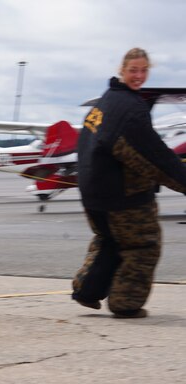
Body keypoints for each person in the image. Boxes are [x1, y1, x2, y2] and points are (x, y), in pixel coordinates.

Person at [71, 48, 186, 318]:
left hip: (92, 194)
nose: (139, 76)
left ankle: (86, 290)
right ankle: (126, 303)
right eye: (133, 70)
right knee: (142, 245)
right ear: (122, 70)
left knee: (110, 240)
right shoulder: (130, 110)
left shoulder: (105, 102)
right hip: (122, 197)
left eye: (144, 70)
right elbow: (155, 158)